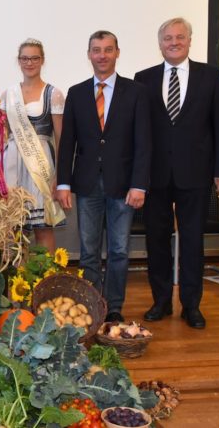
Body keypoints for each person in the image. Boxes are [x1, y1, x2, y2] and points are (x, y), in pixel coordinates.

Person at [135, 18, 219, 329]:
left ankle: (192, 305)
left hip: (197, 174)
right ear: (160, 43)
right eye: (167, 38)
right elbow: (142, 132)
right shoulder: (144, 79)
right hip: (156, 175)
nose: (173, 42)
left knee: (192, 241)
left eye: (179, 37)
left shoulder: (212, 76)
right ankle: (161, 302)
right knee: (156, 240)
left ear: (190, 40)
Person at [56, 31, 151, 323]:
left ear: (117, 53)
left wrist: (139, 184)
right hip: (86, 184)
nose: (102, 55)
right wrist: (63, 183)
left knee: (120, 250)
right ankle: (91, 305)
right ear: (89, 54)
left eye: (108, 50)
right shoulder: (77, 92)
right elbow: (68, 141)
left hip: (123, 186)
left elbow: (143, 142)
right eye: (96, 50)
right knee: (87, 252)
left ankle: (114, 307)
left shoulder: (136, 92)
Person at [0, 38, 66, 254]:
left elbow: (60, 136)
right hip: (11, 162)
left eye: (34, 58)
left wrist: (59, 174)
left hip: (40, 165)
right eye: (25, 58)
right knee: (11, 226)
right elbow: (2, 135)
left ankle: (44, 281)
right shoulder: (8, 94)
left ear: (42, 61)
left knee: (43, 227)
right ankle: (14, 280)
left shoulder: (54, 94)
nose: (29, 62)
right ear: (19, 61)